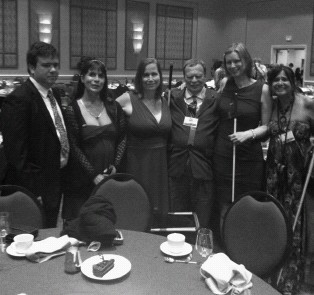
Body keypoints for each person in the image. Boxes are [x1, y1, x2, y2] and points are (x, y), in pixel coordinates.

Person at [1, 41, 69, 228]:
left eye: (56, 65)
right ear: (31, 67)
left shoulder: (53, 92)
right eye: (46, 65)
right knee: (35, 233)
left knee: (51, 229)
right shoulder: (18, 99)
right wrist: (33, 190)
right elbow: (16, 154)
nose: (53, 69)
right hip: (35, 185)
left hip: (55, 177)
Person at [265, 65, 314, 295]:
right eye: (276, 80)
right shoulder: (273, 106)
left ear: (293, 81)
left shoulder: (306, 104)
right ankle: (271, 273)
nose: (281, 83)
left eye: (285, 79)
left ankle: (290, 279)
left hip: (298, 177)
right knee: (274, 222)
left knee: (295, 226)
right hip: (274, 174)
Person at [213, 43, 272, 227]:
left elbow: (269, 126)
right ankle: (223, 246)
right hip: (223, 154)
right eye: (228, 62)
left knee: (246, 203)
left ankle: (243, 244)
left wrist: (249, 133)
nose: (232, 66)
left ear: (245, 61)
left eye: (236, 61)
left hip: (248, 156)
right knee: (223, 202)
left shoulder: (262, 89)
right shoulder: (224, 84)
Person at [62, 57, 126, 222]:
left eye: (100, 76)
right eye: (91, 74)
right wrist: (93, 175)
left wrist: (115, 166)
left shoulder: (114, 107)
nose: (96, 79)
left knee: (106, 223)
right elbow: (74, 147)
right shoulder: (72, 109)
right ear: (82, 78)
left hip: (108, 180)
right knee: (81, 227)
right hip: (81, 181)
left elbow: (122, 138)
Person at [116, 57, 172, 225]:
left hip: (161, 164)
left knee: (158, 214)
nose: (150, 79)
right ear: (139, 78)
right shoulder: (128, 98)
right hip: (137, 163)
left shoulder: (165, 100)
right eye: (145, 75)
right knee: (137, 208)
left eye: (154, 74)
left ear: (160, 76)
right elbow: (105, 112)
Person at [168, 58, 219, 228]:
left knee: (202, 218)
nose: (194, 80)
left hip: (203, 168)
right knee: (178, 217)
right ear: (184, 77)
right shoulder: (172, 98)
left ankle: (200, 250)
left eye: (198, 76)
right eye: (189, 77)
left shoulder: (216, 99)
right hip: (177, 168)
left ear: (205, 76)